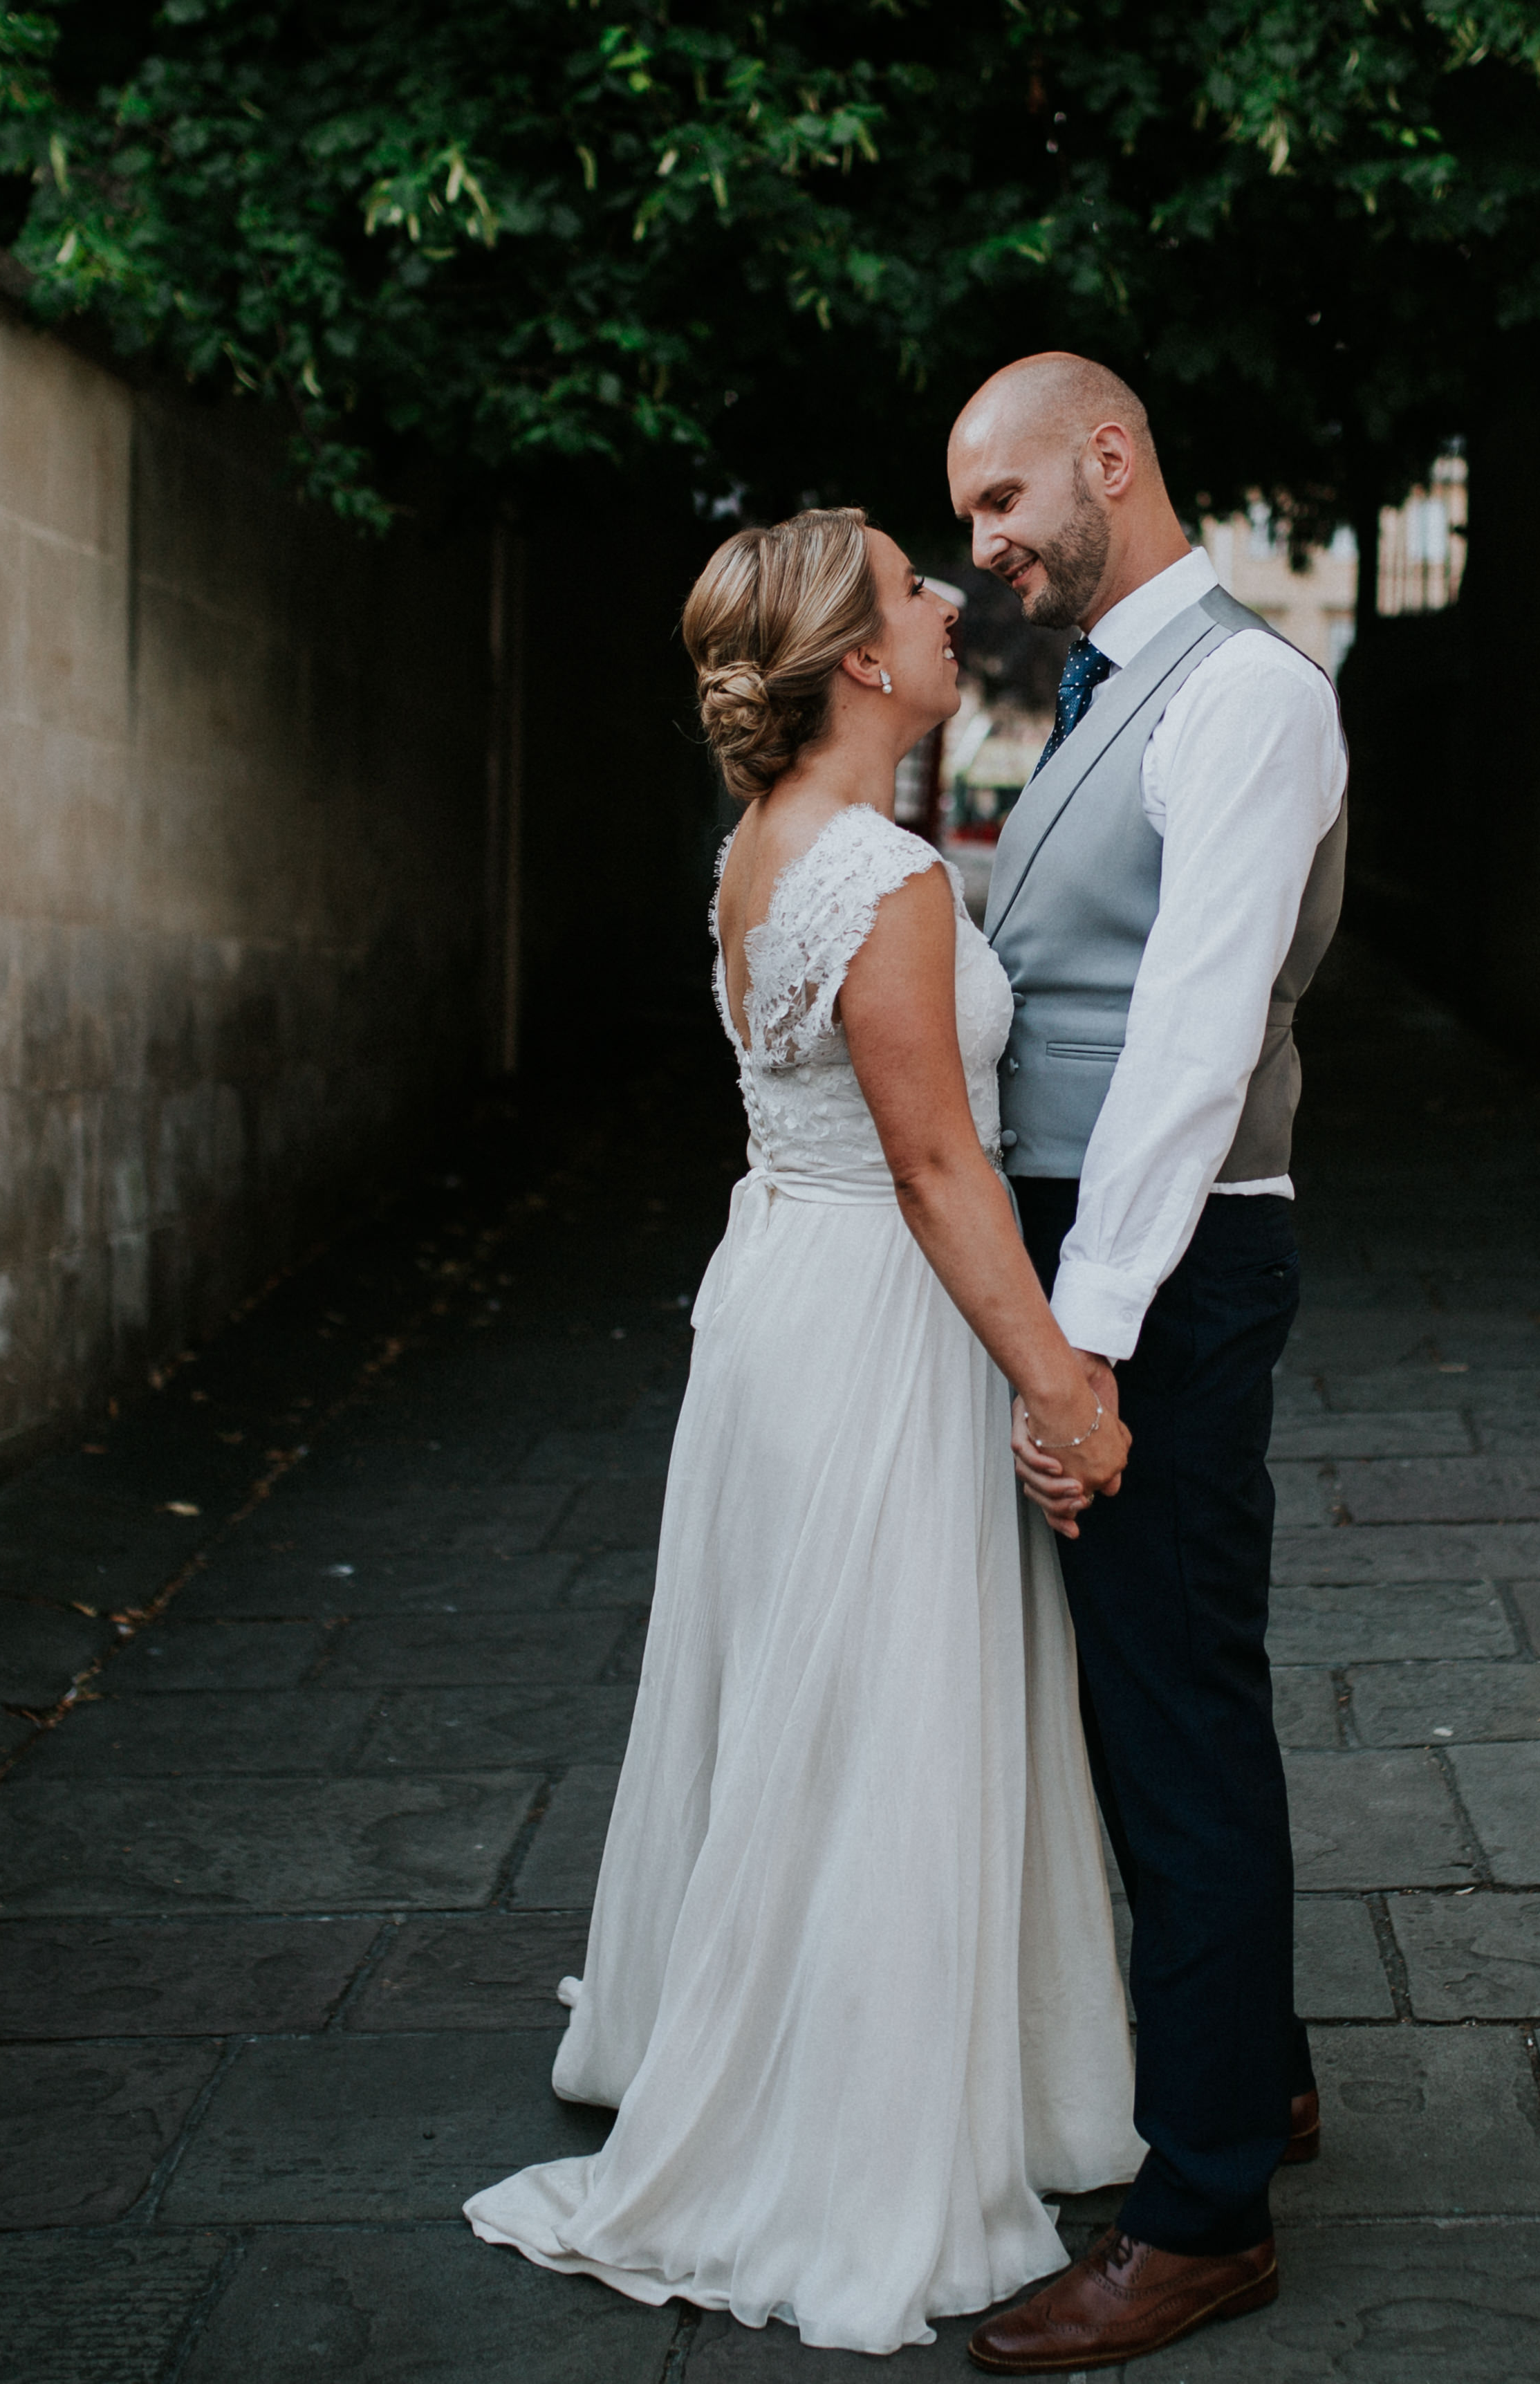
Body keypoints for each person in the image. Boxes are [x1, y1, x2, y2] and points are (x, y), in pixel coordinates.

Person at [463, 511, 1147, 2355]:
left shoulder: (760, 852)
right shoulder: (889, 877)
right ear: (859, 659)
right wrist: (1060, 1387)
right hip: (876, 1319)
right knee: (885, 1698)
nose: (947, 604)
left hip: (774, 1298)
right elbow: (937, 1165)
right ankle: (853, 2116)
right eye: (916, 591)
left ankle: (764, 2018)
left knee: (800, 1681)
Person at [946, 355, 1351, 2374]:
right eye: (969, 518)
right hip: (1105, 1261)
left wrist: (1080, 1345)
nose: (984, 545)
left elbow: (1191, 1047)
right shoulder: (1106, 691)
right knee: (1163, 1692)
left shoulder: (1254, 697)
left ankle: (1201, 2214)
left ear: (1112, 456)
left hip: (1164, 1270)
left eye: (1005, 497)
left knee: (1172, 1714)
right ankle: (1253, 2070)